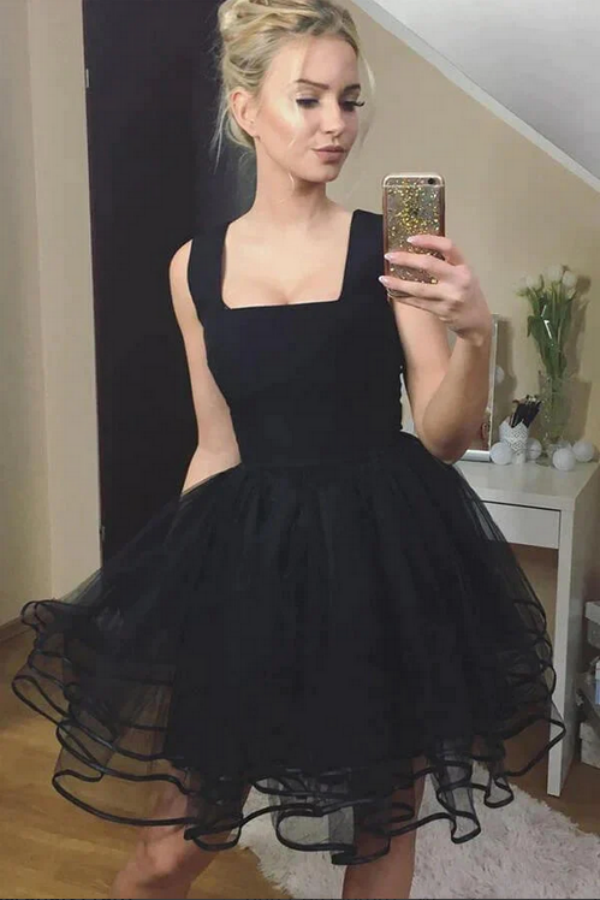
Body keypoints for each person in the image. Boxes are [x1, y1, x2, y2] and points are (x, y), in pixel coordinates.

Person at [11, 1, 566, 898]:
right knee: (168, 852)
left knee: (380, 830)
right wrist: (178, 599)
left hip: (383, 554)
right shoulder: (192, 269)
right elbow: (216, 444)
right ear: (246, 110)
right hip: (252, 558)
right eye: (308, 99)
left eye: (349, 100)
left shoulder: (389, 244)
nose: (335, 123)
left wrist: (473, 337)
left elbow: (441, 435)